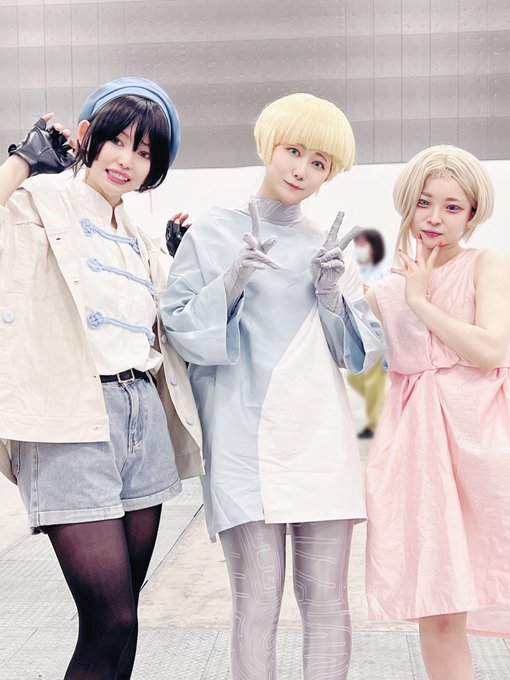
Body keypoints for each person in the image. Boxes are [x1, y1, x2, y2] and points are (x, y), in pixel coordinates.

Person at [160, 93, 385, 680]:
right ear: (268, 145)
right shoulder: (212, 233)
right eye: (293, 151)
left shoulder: (329, 249)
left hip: (320, 440)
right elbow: (177, 329)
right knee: (256, 604)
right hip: (243, 442)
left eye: (319, 162)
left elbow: (360, 355)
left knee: (328, 603)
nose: (301, 170)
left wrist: (332, 296)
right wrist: (231, 281)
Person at [0, 77, 203, 680]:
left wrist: (179, 260)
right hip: (71, 418)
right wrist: (22, 161)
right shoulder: (40, 201)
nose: (127, 160)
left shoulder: (138, 235)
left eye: (144, 151)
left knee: (126, 619)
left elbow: (167, 327)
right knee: (108, 619)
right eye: (117, 140)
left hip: (141, 417)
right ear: (87, 135)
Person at [364, 145, 510, 680]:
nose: (435, 217)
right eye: (425, 202)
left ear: (472, 214)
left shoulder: (486, 264)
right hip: (420, 454)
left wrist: (422, 301)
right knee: (440, 605)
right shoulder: (384, 292)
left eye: (452, 207)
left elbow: (491, 349)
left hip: (486, 446)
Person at [347, 229, 388, 438]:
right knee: (356, 379)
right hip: (361, 333)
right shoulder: (353, 271)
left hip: (379, 333)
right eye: (358, 245)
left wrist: (373, 292)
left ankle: (375, 424)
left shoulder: (382, 273)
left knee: (374, 381)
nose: (360, 249)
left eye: (365, 245)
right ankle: (384, 411)